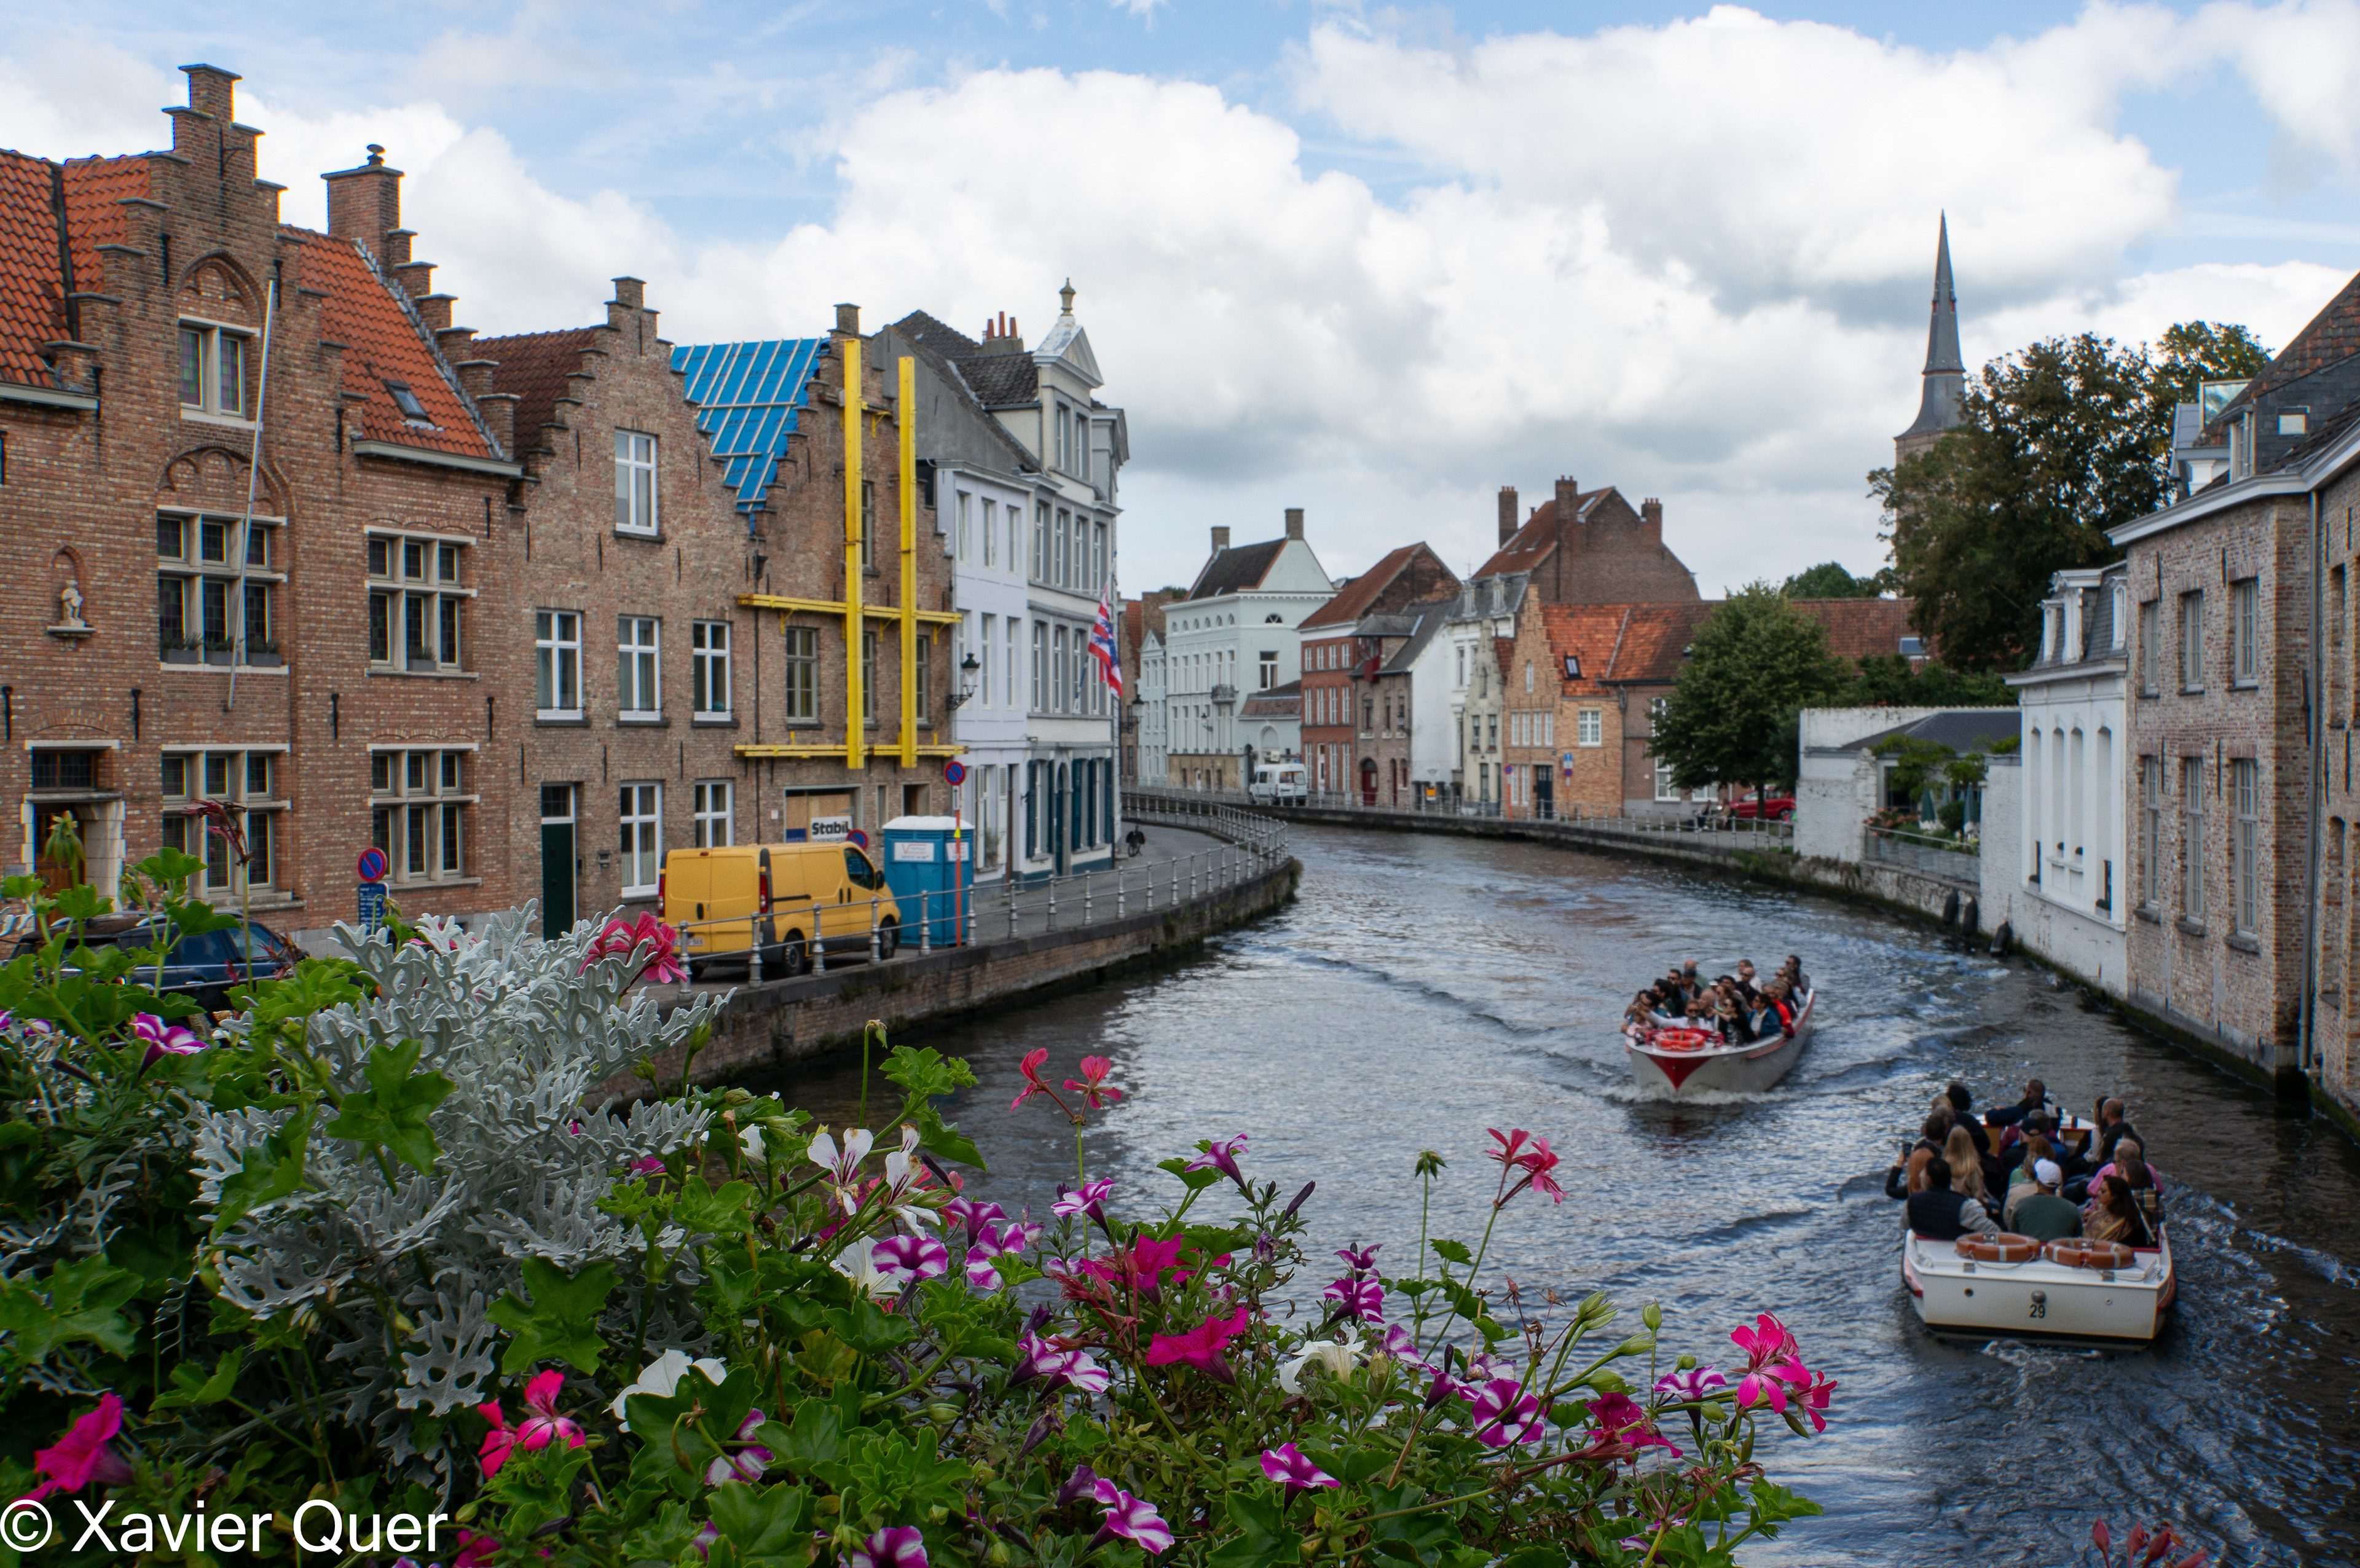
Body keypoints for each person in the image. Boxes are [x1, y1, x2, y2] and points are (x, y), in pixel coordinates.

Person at [1905, 1156, 2000, 1241]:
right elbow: (1994, 1231)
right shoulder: (1963, 1205)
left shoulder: (1912, 1201)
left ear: (1929, 1180)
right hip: (1953, 1254)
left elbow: (1904, 1225)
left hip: (1921, 1250)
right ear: (1950, 1179)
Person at [2006, 1159, 2083, 1242]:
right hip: (2058, 1253)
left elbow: (2013, 1235)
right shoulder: (2071, 1208)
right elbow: (2077, 1236)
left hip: (2030, 1253)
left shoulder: (2021, 1205)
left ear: (2038, 1182)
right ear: (2059, 1183)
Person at [2085, 1174, 2157, 1249]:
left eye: (2103, 1191)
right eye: (2099, 1190)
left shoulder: (2128, 1221)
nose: (2098, 1193)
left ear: (2114, 1196)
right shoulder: (2134, 1215)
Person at [1943, 1124, 1997, 1215]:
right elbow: (1978, 1195)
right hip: (1968, 1207)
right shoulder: (1972, 1168)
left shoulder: (1943, 1164)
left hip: (1949, 1205)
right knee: (1997, 1206)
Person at [1985, 1078, 2050, 1129]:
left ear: (2028, 1093)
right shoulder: (2053, 1111)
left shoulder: (2020, 1110)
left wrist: (1996, 1110)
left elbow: (1991, 1118)